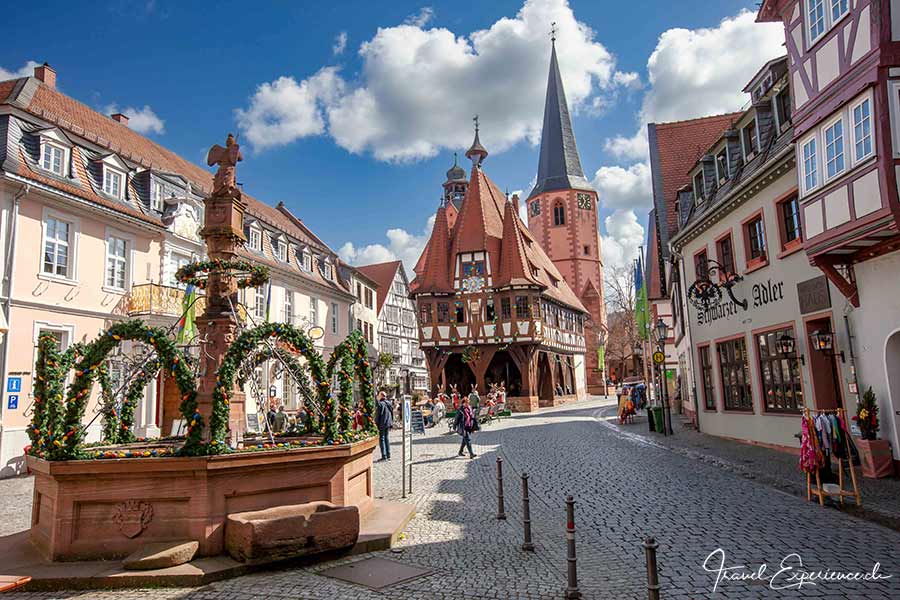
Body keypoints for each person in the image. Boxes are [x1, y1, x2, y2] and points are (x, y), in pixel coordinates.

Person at [375, 391, 393, 461]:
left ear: (381, 396)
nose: (378, 397)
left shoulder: (380, 404)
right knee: (386, 438)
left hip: (382, 423)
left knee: (382, 439)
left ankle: (384, 456)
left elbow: (378, 415)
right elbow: (391, 413)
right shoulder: (389, 403)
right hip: (388, 423)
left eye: (379, 395)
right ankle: (388, 455)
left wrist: (376, 423)